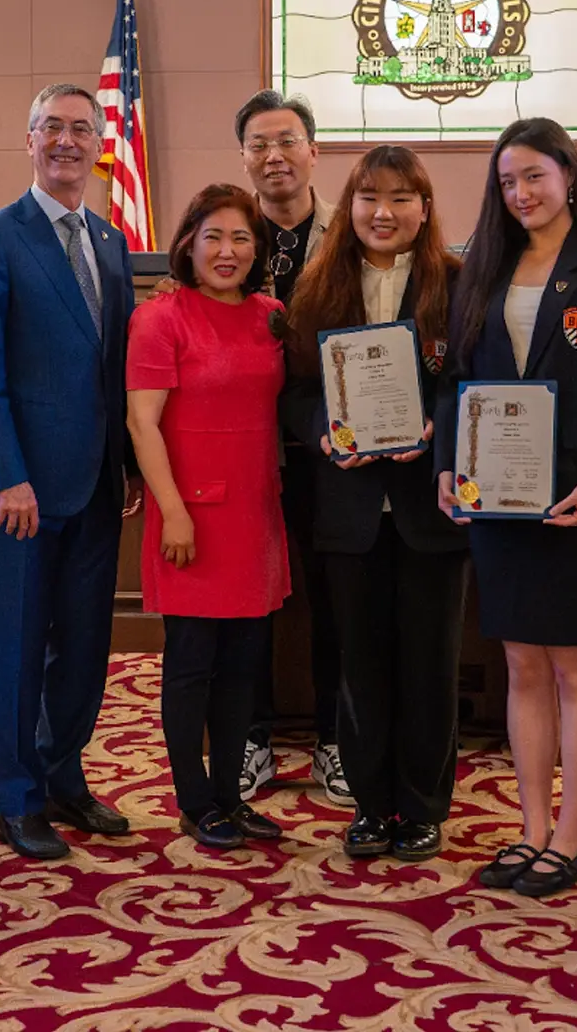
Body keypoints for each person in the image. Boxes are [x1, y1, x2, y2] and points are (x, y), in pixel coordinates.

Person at [436, 118, 577, 899]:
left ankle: (572, 837)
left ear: (567, 172)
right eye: (507, 182)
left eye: (533, 175)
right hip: (496, 497)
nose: (521, 193)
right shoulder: (480, 268)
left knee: (576, 667)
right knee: (521, 665)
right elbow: (456, 380)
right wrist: (445, 466)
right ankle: (530, 830)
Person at [0, 83, 137, 860]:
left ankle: (64, 777)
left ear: (99, 144)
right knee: (22, 647)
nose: (67, 140)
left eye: (81, 129)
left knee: (87, 646)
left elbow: (114, 366)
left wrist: (125, 466)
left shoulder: (110, 241)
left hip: (97, 486)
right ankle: (17, 798)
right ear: (28, 140)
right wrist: (6, 475)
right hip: (21, 492)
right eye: (52, 127)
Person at [282, 146, 463, 862]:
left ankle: (421, 807)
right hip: (349, 506)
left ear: (424, 209)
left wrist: (436, 430)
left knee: (430, 662)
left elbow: (470, 381)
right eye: (368, 198)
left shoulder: (457, 283)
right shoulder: (317, 288)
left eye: (400, 199)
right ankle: (368, 805)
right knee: (359, 662)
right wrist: (324, 436)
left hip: (433, 507)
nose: (382, 213)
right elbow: (295, 391)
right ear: (348, 206)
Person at [127, 184, 292, 849]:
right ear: (189, 242)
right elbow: (143, 424)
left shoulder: (272, 315)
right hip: (190, 516)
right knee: (192, 666)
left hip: (257, 514)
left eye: (242, 239)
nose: (227, 252)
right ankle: (195, 802)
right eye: (214, 237)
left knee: (243, 669)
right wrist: (172, 512)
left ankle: (231, 794)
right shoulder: (162, 318)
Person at [234, 88, 346, 804]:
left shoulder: (356, 230)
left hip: (335, 455)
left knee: (336, 600)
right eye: (258, 145)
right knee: (246, 600)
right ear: (244, 158)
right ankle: (250, 739)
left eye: (287, 141)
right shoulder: (223, 234)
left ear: (313, 150)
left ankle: (338, 739)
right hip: (241, 452)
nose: (274, 156)